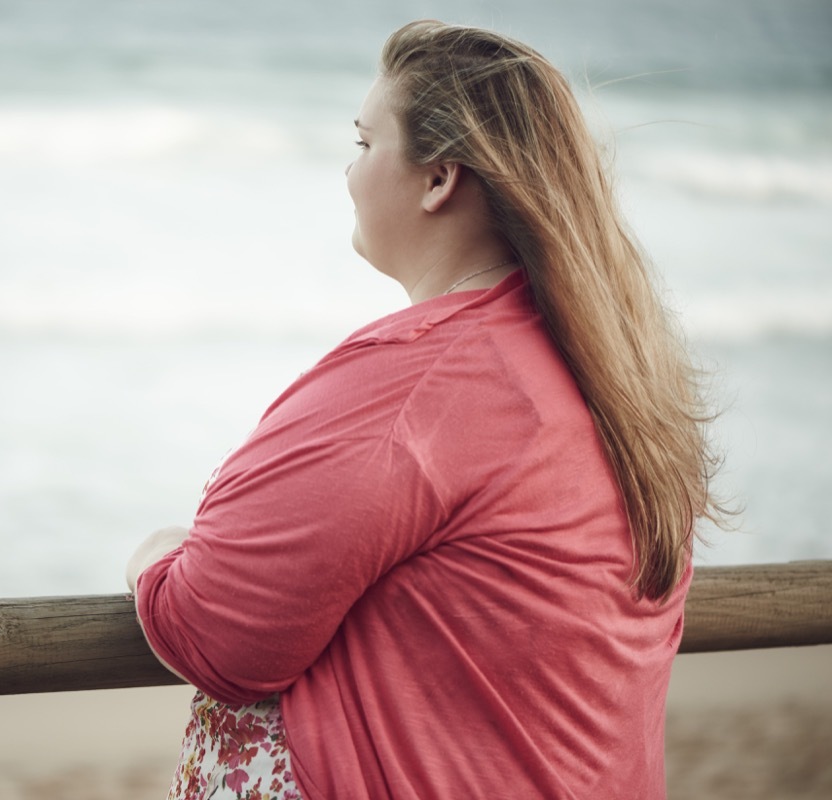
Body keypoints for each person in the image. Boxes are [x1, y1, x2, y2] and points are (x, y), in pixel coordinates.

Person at [126, 20, 724, 800]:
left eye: (364, 143)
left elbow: (218, 631)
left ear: (439, 177)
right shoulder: (616, 372)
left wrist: (152, 558)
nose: (348, 174)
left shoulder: (421, 381)